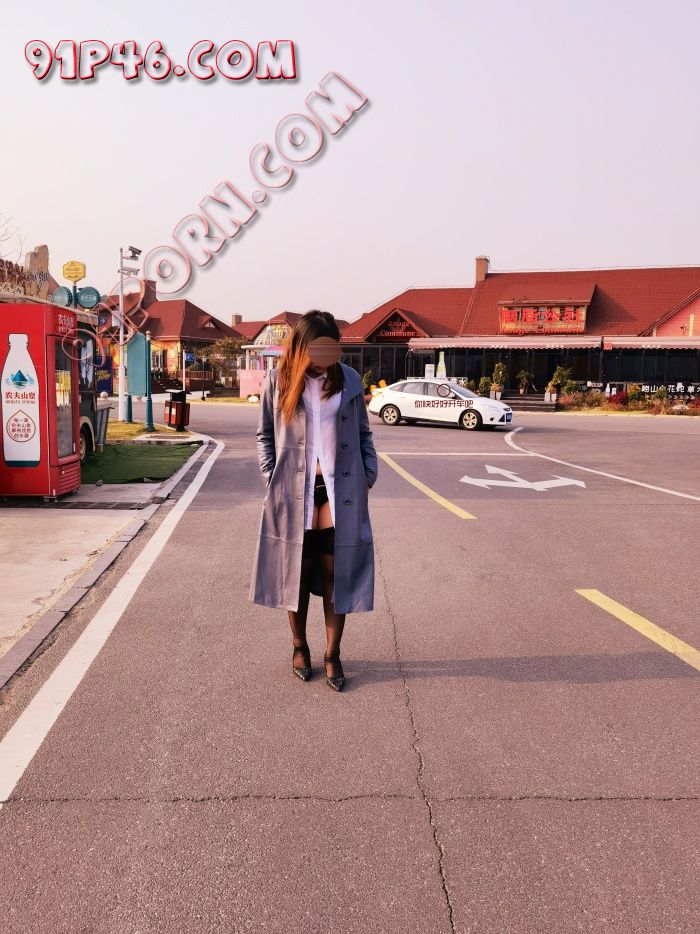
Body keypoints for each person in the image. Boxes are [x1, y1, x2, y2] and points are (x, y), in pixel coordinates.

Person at [250, 310, 378, 691]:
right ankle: (299, 646)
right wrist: (271, 479)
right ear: (302, 346)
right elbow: (265, 436)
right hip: (294, 493)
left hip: (340, 493)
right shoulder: (279, 381)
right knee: (297, 576)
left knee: (337, 576)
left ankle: (332, 654)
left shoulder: (348, 379)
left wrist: (368, 474)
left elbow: (364, 434)